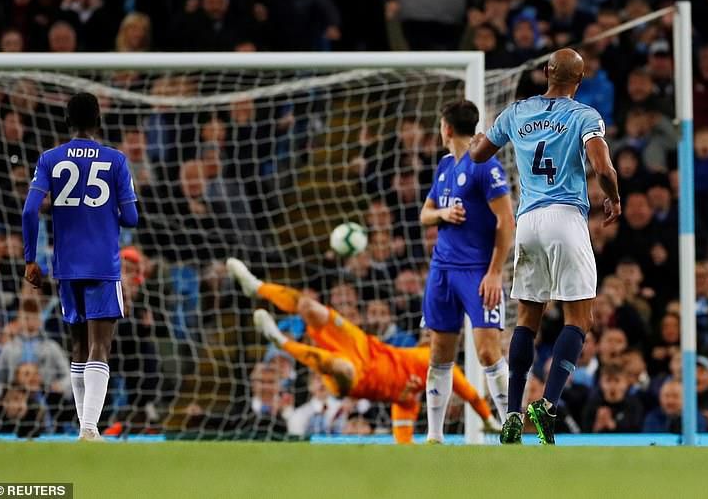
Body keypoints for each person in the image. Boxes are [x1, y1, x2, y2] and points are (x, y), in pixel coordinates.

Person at [470, 48, 621, 445]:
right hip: (566, 217)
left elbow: (480, 153)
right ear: (580, 80)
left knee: (527, 319)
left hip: (528, 221)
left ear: (545, 74)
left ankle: (512, 413)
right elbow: (602, 167)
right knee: (579, 318)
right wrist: (614, 196)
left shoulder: (517, 112)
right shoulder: (584, 116)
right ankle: (548, 403)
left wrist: (475, 141)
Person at [226, 258, 499, 444]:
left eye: (436, 331)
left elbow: (472, 397)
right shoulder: (409, 355)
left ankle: (281, 342)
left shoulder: (414, 395)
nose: (430, 334)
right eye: (428, 330)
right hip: (361, 344)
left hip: (358, 379)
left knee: (337, 367)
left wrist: (489, 420)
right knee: (310, 308)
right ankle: (257, 287)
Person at [22, 92, 139, 440]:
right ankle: (89, 427)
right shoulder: (115, 160)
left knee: (77, 345)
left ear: (67, 122)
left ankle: (84, 426)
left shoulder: (50, 158)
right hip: (103, 263)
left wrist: (30, 258)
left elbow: (30, 210)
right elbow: (131, 218)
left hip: (66, 264)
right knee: (99, 346)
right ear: (99, 120)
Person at [420, 100, 515, 443]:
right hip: (442, 270)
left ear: (445, 127)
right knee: (439, 351)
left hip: (477, 272)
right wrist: (442, 215)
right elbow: (425, 213)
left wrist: (494, 273)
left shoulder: (484, 165)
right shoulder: (445, 165)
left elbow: (506, 220)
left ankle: (511, 431)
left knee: (488, 351)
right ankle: (434, 435)